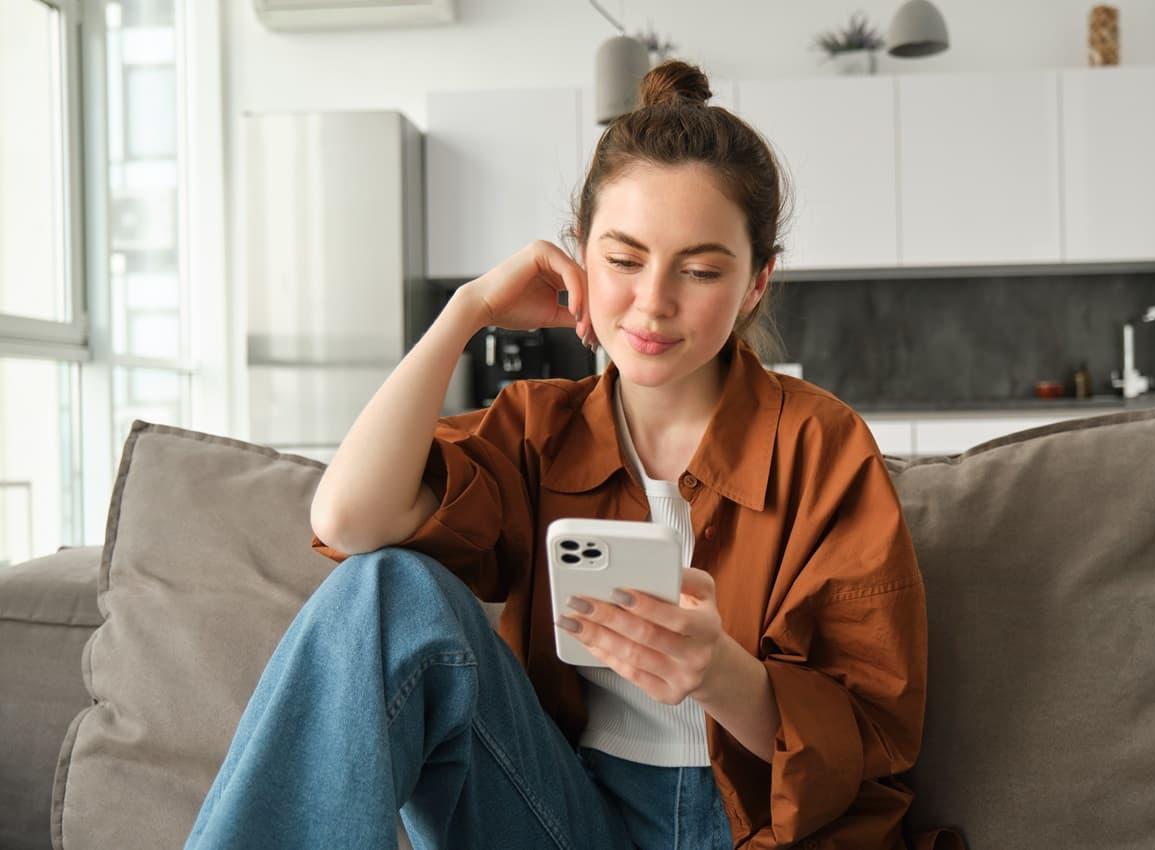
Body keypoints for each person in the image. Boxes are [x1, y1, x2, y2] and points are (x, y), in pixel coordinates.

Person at [185, 60, 964, 850]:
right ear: (578, 258)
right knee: (385, 586)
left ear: (757, 282)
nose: (653, 302)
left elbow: (871, 744)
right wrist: (468, 311)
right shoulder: (534, 431)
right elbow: (350, 520)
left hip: (757, 830)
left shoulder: (821, 447)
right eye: (623, 260)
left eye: (700, 270)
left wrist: (719, 674)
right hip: (567, 815)